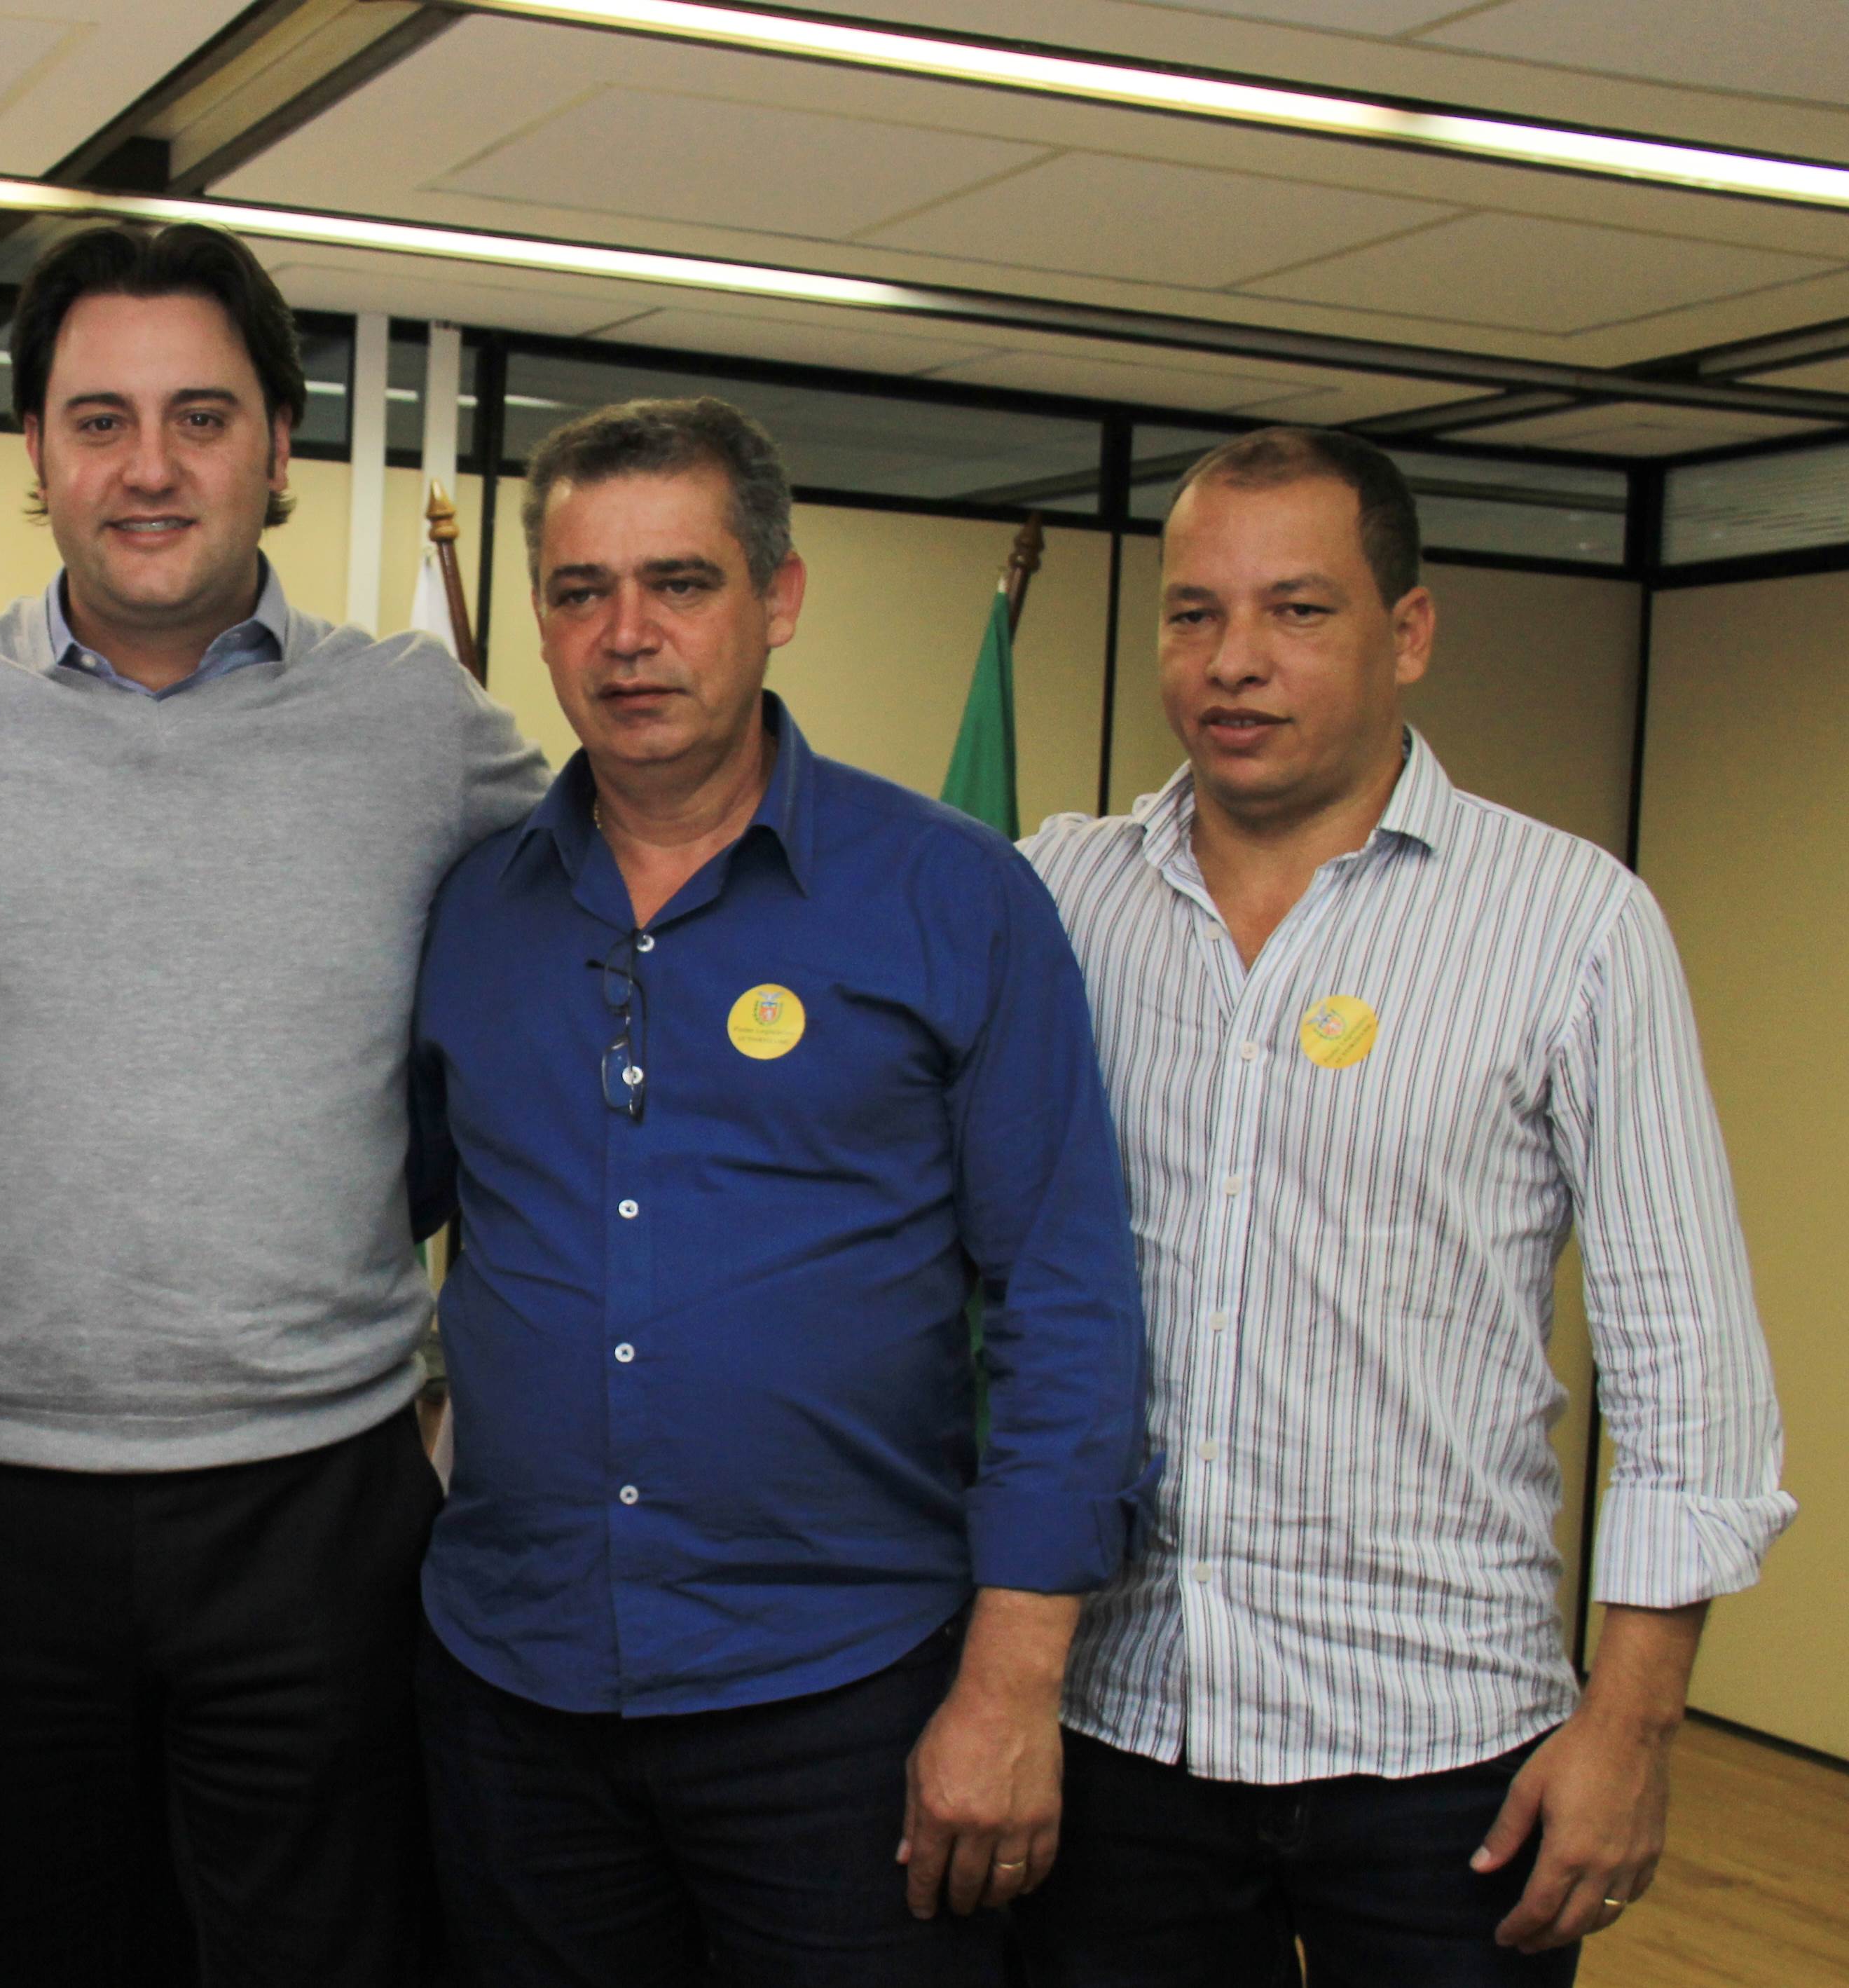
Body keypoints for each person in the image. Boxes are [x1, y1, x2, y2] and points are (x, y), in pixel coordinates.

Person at [0, 221, 547, 1984]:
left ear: (279, 448)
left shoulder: (418, 721)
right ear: (36, 453)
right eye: (99, 419)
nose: (149, 467)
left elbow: (619, 906)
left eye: (200, 417)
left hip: (319, 1506)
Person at [1015, 427, 1795, 1985]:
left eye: (1298, 611)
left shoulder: (1570, 921)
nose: (1233, 660)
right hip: (1119, 1732)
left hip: (1447, 1757)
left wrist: (1632, 1725)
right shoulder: (1057, 896)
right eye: (1193, 613)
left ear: (1410, 631)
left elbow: (1686, 1367)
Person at [406, 395, 1149, 1987]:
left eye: (679, 582)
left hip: (846, 1698)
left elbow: (1063, 1302)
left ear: (779, 598)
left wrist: (1013, 1683)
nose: (627, 635)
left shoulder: (953, 897)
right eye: (581, 591)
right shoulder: (473, 909)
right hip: (514, 1695)